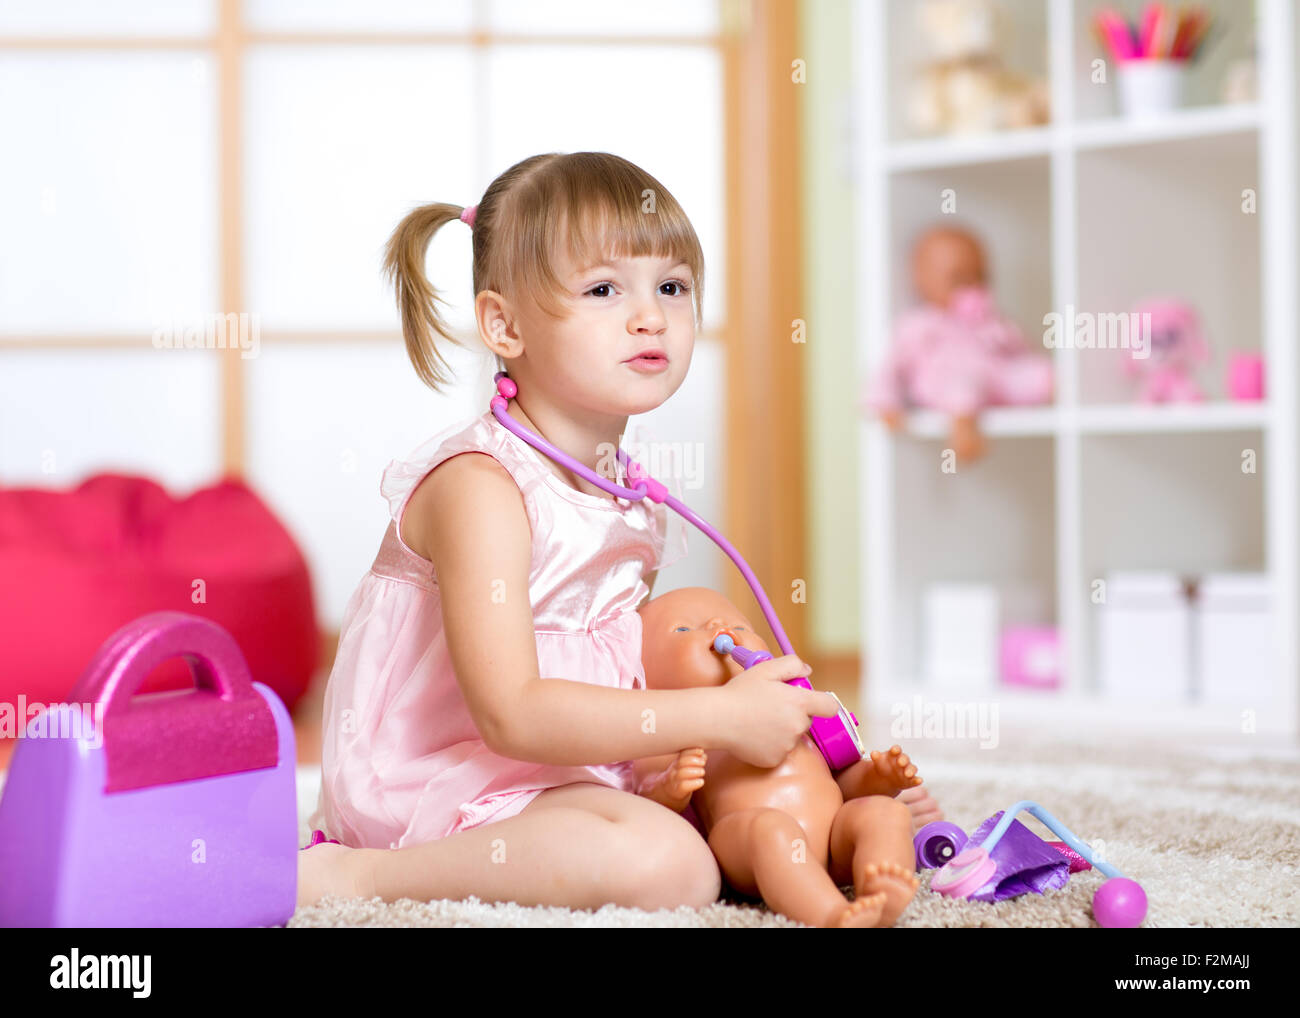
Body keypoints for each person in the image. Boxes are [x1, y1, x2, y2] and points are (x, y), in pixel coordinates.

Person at [296, 151, 843, 912]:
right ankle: (363, 876)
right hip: (439, 770)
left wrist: (667, 754)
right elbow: (509, 712)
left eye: (672, 287)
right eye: (604, 289)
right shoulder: (482, 489)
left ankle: (821, 811)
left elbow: (609, 656)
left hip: (554, 763)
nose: (650, 314)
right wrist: (717, 719)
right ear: (504, 325)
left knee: (699, 621)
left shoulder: (622, 485)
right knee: (671, 868)